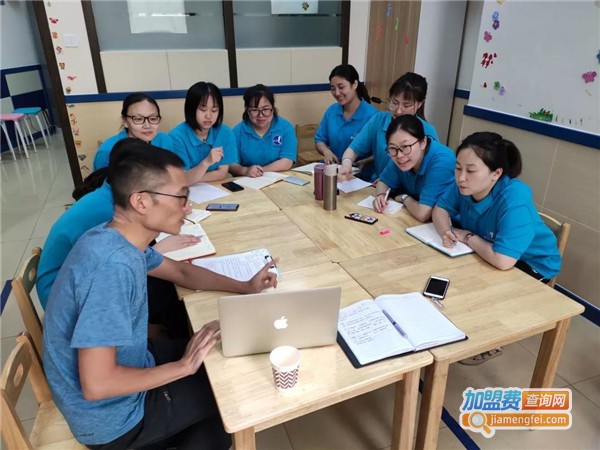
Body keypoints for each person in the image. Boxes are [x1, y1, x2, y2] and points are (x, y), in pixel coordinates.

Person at [43, 141, 278, 449]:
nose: (187, 207)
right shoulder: (111, 268)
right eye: (181, 197)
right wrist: (182, 367)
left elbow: (180, 273)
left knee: (225, 355)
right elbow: (97, 384)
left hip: (134, 362)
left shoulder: (116, 238)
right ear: (141, 201)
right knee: (232, 392)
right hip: (112, 419)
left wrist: (244, 286)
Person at [37, 140, 201, 339]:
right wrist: (148, 331)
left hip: (71, 291)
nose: (184, 206)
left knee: (166, 285)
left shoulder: (113, 201)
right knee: (165, 293)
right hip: (64, 303)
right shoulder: (110, 221)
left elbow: (176, 270)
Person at [432, 131, 561, 280]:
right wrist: (446, 232)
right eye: (458, 168)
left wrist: (466, 236)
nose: (461, 178)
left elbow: (503, 261)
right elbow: (440, 209)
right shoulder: (466, 186)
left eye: (471, 170)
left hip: (530, 263)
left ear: (496, 173)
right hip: (488, 249)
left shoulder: (514, 197)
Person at [338, 72, 439, 182]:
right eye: (394, 103)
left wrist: (389, 182)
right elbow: (354, 149)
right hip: (378, 186)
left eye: (406, 105)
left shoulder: (428, 132)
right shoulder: (379, 120)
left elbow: (430, 172)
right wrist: (346, 164)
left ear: (419, 104)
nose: (398, 111)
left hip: (407, 191)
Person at [373, 115, 455, 222]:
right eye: (392, 148)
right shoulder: (399, 155)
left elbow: (422, 214)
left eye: (405, 147)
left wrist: (404, 198)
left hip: (450, 225)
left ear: (423, 143)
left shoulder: (442, 161)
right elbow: (383, 182)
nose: (399, 155)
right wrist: (381, 195)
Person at [169, 82, 238, 184]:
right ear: (191, 109)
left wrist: (192, 178)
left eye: (214, 110)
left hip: (216, 189)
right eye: (203, 109)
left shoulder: (225, 132)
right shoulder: (176, 137)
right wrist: (206, 162)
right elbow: (182, 180)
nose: (208, 116)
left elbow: (222, 174)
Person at [93, 93, 175, 170]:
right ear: (125, 121)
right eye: (138, 119)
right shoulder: (107, 151)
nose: (147, 125)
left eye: (153, 119)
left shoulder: (165, 141)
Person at [314, 64, 377, 164]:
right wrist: (326, 151)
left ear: (354, 84)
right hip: (333, 168)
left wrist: (365, 162)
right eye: (333, 88)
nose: (337, 93)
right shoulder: (332, 111)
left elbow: (382, 151)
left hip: (359, 170)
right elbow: (319, 140)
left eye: (341, 87)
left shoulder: (372, 116)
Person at [230, 84, 297, 177]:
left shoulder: (286, 128)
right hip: (247, 180)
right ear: (247, 110)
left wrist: (260, 171)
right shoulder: (237, 131)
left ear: (272, 108)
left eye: (265, 109)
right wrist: (246, 171)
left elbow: (287, 161)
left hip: (278, 178)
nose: (261, 115)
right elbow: (231, 164)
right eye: (254, 110)